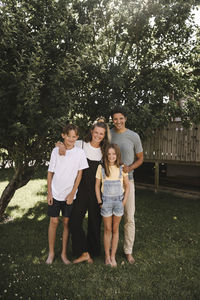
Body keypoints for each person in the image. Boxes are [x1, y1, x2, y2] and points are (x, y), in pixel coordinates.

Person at [57, 121, 109, 263]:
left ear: (104, 136)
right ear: (91, 132)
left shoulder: (104, 151)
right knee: (74, 221)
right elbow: (64, 143)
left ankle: (93, 252)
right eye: (96, 132)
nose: (98, 135)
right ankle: (83, 251)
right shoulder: (80, 144)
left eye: (101, 134)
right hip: (80, 191)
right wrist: (60, 145)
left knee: (94, 223)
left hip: (97, 192)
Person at [46, 124, 89, 265]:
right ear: (63, 135)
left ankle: (64, 254)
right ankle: (51, 253)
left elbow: (79, 174)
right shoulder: (55, 151)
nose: (71, 139)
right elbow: (50, 172)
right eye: (68, 136)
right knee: (54, 222)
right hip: (56, 192)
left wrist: (72, 193)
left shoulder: (80, 153)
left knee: (66, 223)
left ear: (77, 138)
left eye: (74, 136)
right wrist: (49, 193)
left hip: (69, 196)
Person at [110, 106, 143, 264]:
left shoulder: (134, 136)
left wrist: (130, 167)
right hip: (111, 182)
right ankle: (111, 252)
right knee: (110, 218)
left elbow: (141, 158)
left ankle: (128, 251)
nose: (118, 122)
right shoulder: (108, 134)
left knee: (129, 217)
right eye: (115, 119)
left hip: (128, 181)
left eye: (121, 118)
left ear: (126, 119)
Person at [95, 144, 130, 267]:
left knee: (115, 229)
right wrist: (100, 202)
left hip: (118, 203)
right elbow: (97, 186)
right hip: (106, 203)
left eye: (113, 154)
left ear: (117, 155)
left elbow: (127, 186)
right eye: (109, 154)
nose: (111, 156)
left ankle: (113, 256)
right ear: (106, 155)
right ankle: (107, 256)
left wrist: (123, 202)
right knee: (107, 229)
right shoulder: (101, 168)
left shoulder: (121, 168)